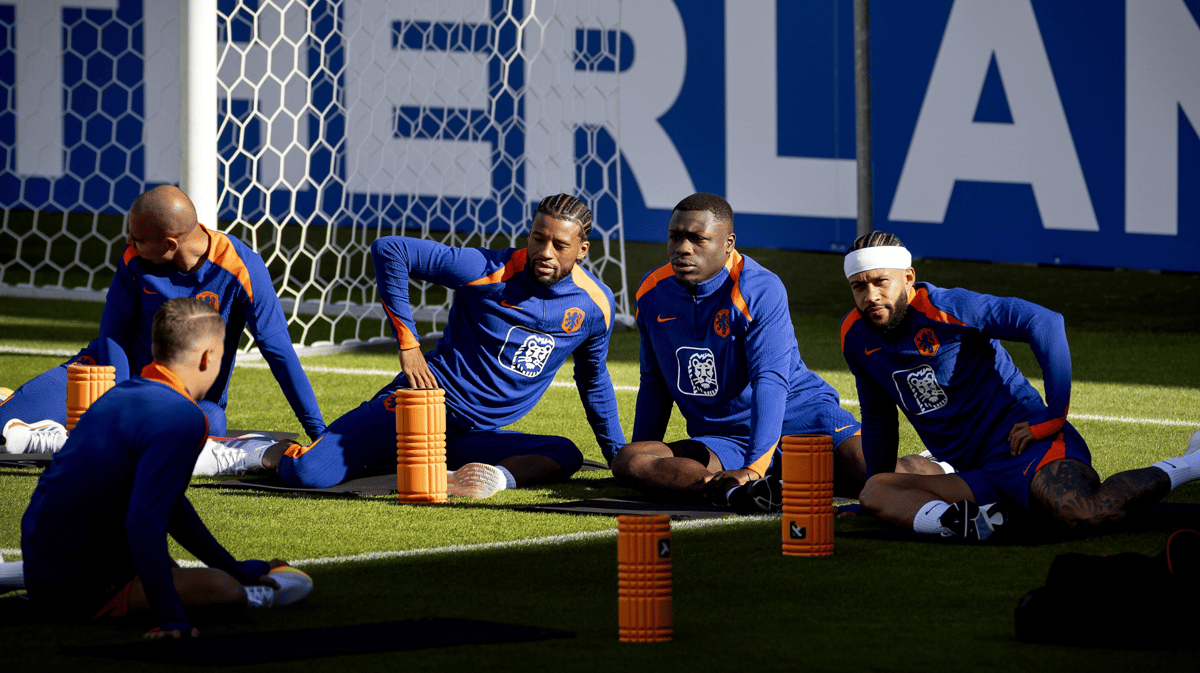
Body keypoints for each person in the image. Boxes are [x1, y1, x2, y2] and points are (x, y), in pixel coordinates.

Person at [230, 194, 625, 497]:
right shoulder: (489, 270)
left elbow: (594, 381)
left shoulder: (596, 305)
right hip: (420, 404)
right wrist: (410, 345)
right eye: (538, 238)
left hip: (474, 434)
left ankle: (485, 477)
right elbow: (391, 250)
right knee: (309, 474)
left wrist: (617, 457)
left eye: (559, 244)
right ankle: (256, 452)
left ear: (583, 249)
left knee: (564, 454)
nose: (545, 252)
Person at [840, 231, 1200, 540]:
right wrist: (874, 496)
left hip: (1024, 445)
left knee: (1085, 512)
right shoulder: (854, 336)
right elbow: (878, 417)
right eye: (859, 286)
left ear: (908, 277)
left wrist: (1054, 415)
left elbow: (1045, 322)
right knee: (876, 489)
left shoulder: (948, 306)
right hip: (976, 472)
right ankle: (962, 525)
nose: (870, 296)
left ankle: (1193, 461)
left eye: (880, 281)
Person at [611, 193, 938, 510]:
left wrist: (755, 465)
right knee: (632, 459)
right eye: (675, 237)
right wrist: (642, 468)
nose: (683, 248)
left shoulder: (758, 288)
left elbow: (770, 381)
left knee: (876, 475)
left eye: (698, 239)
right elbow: (655, 382)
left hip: (803, 418)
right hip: (727, 438)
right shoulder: (652, 292)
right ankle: (731, 493)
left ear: (728, 244)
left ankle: (940, 467)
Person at [20, 298, 311, 638]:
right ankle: (250, 597)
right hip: (81, 584)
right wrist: (170, 617)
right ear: (208, 358)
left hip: (46, 562)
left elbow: (169, 503)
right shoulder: (184, 417)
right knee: (225, 590)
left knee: (187, 569)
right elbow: (144, 521)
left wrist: (228, 563)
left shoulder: (121, 393)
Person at [0, 185, 325, 463]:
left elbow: (278, 350)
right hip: (108, 377)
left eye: (139, 237)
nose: (129, 241)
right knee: (3, 426)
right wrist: (125, 401)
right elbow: (113, 333)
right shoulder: (133, 259)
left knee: (209, 424)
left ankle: (69, 434)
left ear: (170, 244)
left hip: (184, 398)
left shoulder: (242, 267)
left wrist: (319, 434)